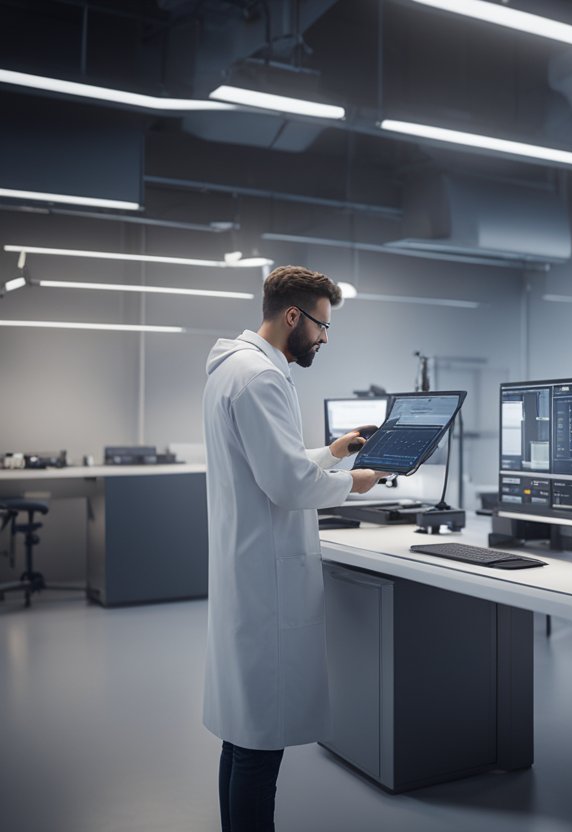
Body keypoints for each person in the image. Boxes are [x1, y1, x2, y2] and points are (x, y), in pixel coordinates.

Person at [201, 265, 383, 831]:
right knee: (259, 750)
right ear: (292, 316)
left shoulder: (233, 369)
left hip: (246, 572)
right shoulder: (261, 378)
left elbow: (272, 464)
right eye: (322, 326)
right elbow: (286, 485)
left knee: (242, 738)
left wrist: (330, 453)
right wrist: (355, 481)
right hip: (266, 585)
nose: (324, 338)